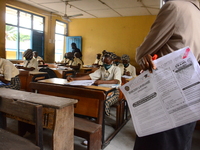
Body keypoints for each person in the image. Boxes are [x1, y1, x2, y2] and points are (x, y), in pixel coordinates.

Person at [134, 0, 200, 150]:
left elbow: (143, 53)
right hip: (188, 101)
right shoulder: (197, 15)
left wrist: (141, 55)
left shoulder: (175, 7)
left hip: (164, 98)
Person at [67, 51, 121, 116]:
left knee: (104, 102)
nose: (105, 64)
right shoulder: (102, 69)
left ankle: (101, 118)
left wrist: (101, 81)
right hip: (102, 89)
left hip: (114, 91)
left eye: (107, 62)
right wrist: (74, 79)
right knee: (92, 98)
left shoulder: (116, 69)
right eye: (104, 62)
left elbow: (116, 81)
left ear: (112, 61)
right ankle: (91, 114)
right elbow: (90, 76)